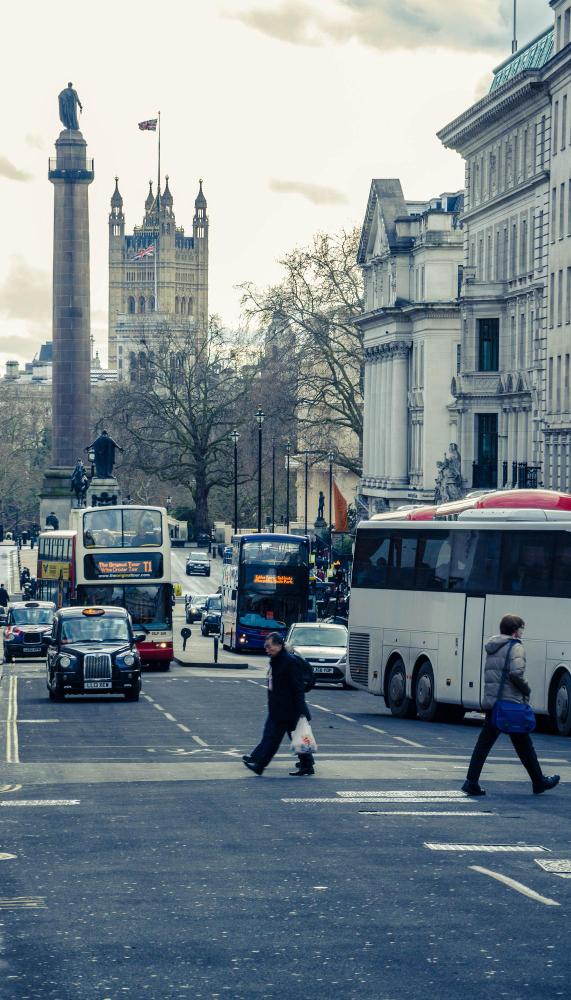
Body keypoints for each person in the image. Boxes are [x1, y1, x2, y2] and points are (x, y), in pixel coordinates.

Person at [463, 614, 560, 796]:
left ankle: (471, 781)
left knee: (487, 744)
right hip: (510, 704)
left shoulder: (494, 647)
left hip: (494, 703)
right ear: (515, 630)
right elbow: (516, 673)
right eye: (521, 628)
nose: (522, 631)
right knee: (524, 744)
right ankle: (539, 782)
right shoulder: (516, 648)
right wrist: (527, 688)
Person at [243, 632, 315, 776]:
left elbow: (298, 687)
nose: (267, 650)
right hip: (282, 709)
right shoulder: (277, 661)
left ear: (279, 646)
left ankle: (260, 766)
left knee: (274, 740)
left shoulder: (289, 662)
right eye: (266, 647)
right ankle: (307, 765)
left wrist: (301, 710)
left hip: (289, 709)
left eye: (269, 647)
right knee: (296, 737)